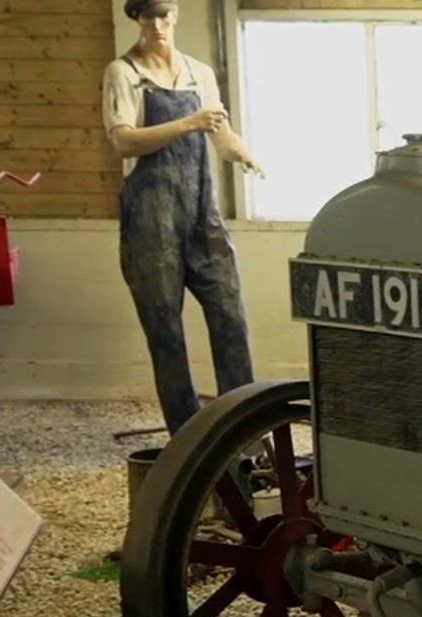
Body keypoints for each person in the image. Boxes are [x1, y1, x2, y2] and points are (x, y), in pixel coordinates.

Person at [101, 0, 265, 434]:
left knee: (231, 316)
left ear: (176, 15)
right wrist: (188, 123)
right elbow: (124, 142)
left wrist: (241, 152)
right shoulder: (124, 73)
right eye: (147, 16)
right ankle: (188, 436)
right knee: (165, 330)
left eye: (163, 14)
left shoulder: (199, 73)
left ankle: (241, 430)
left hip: (201, 216)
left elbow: (219, 133)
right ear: (136, 18)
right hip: (150, 222)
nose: (156, 24)